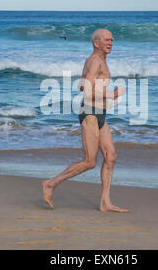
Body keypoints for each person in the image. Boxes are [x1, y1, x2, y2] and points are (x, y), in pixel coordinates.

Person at [42, 29, 129, 213]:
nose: (111, 42)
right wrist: (113, 94)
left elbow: (83, 84)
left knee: (110, 156)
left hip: (100, 113)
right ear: (96, 43)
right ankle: (50, 184)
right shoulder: (95, 61)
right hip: (89, 113)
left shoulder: (98, 61)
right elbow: (87, 89)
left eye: (112, 39)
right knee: (89, 162)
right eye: (106, 39)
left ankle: (105, 202)